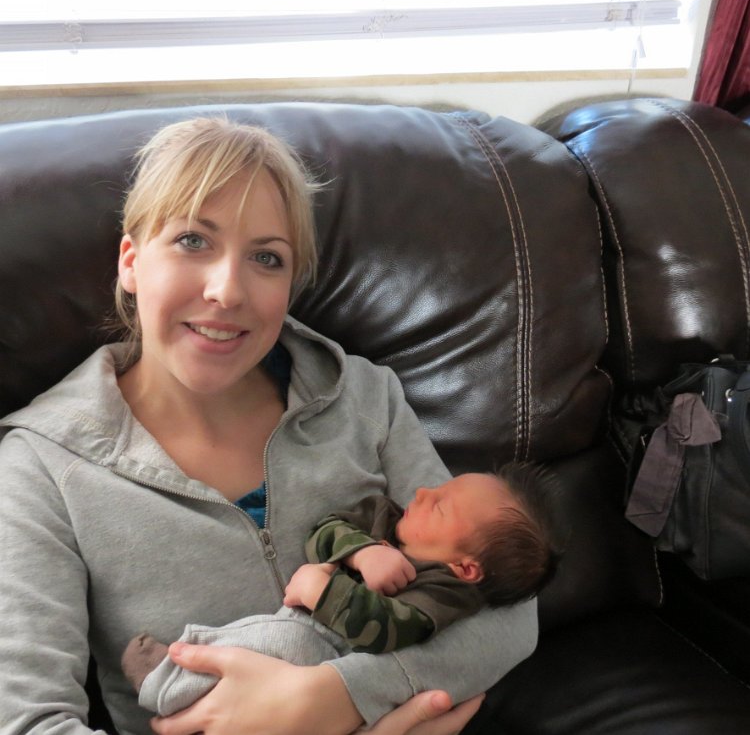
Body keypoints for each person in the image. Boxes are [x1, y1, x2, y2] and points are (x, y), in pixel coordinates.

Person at [0, 115, 539, 735]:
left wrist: (333, 699)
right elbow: (30, 721)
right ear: (131, 261)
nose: (228, 291)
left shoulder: (365, 398)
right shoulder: (42, 466)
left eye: (266, 258)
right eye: (192, 240)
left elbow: (508, 609)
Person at [122, 466, 562, 717]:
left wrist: (322, 591)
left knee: (279, 643)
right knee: (258, 636)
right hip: (297, 624)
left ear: (465, 568)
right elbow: (324, 530)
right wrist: (363, 552)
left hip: (326, 651)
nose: (423, 491)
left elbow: (387, 628)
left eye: (441, 506)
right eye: (438, 489)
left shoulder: (446, 593)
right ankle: (182, 666)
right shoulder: (384, 517)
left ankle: (169, 683)